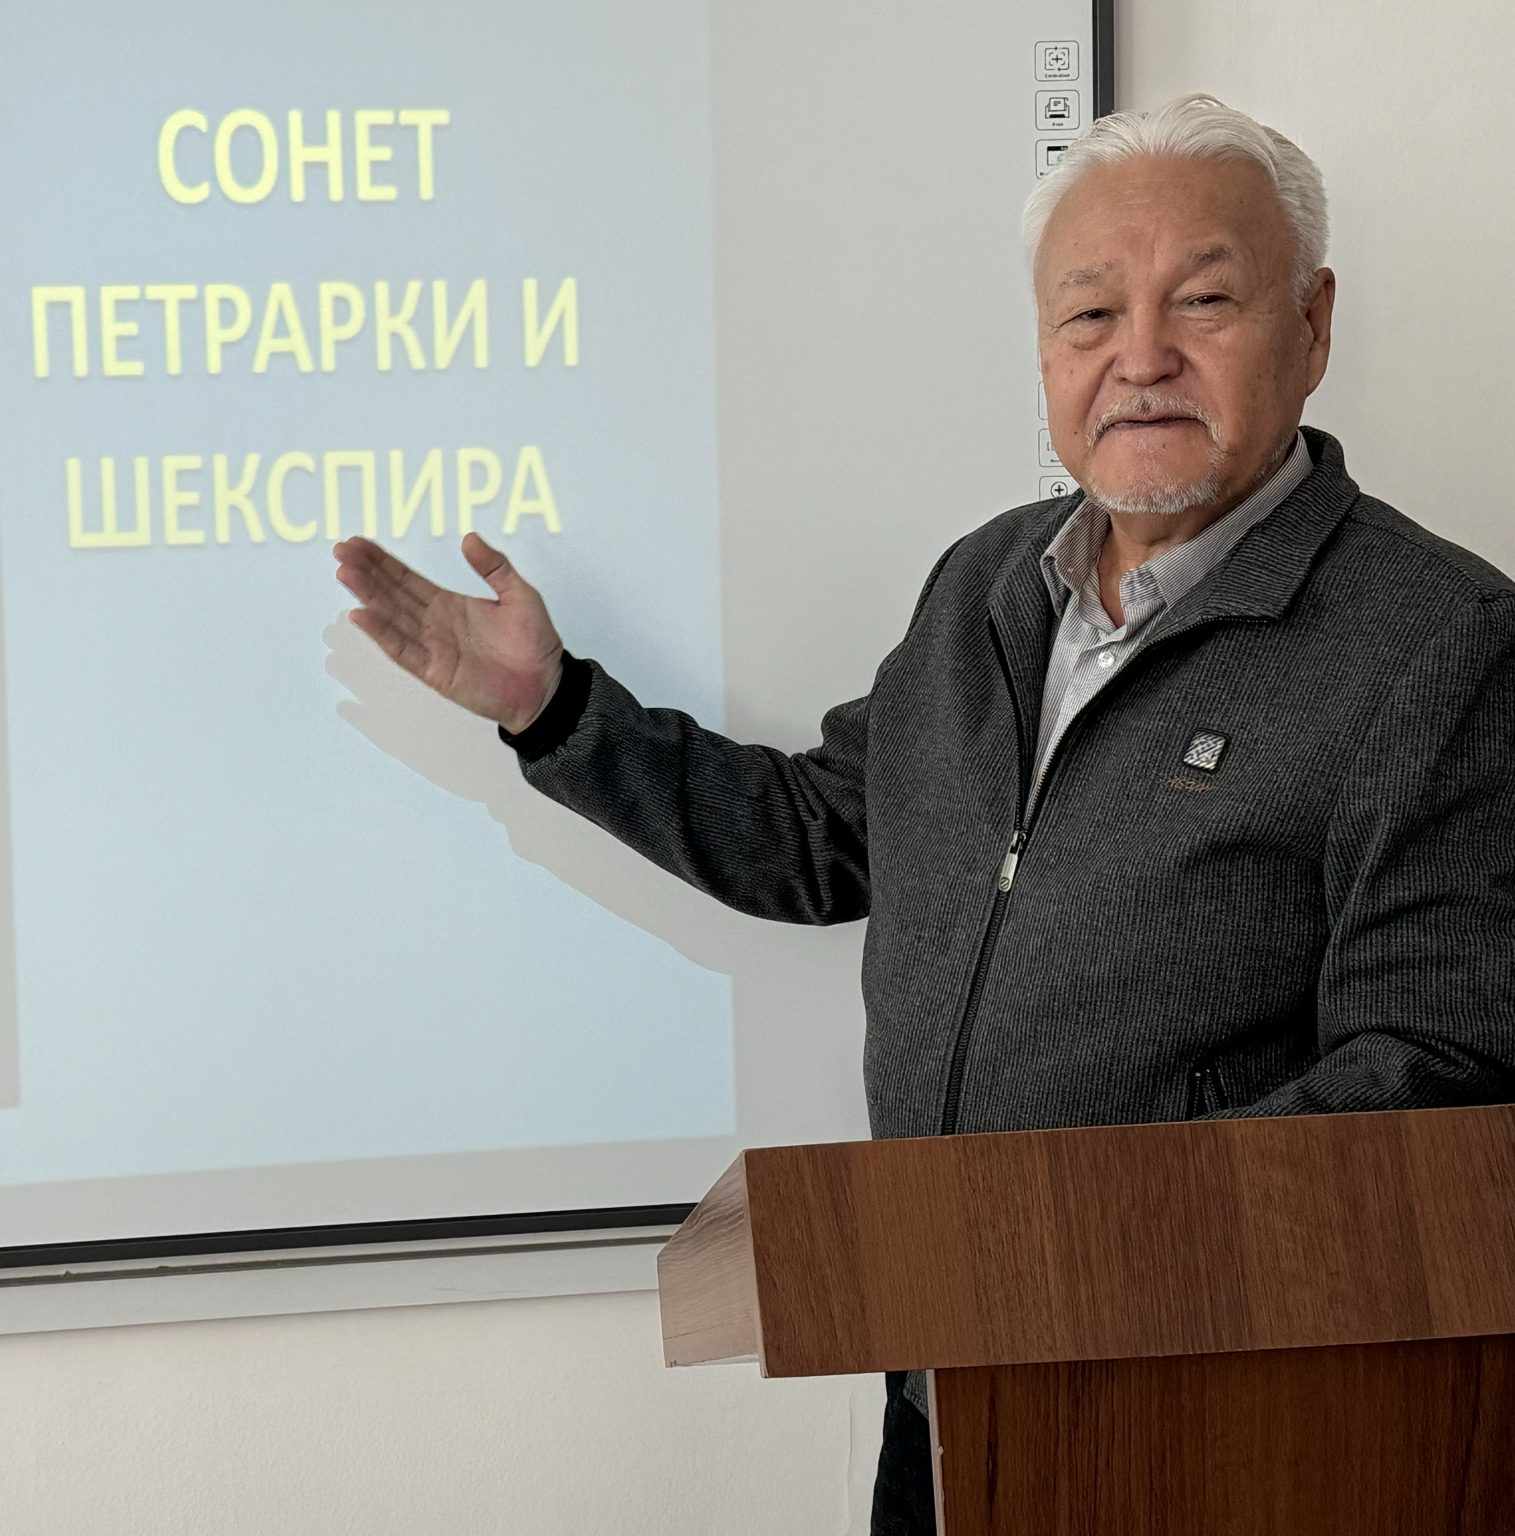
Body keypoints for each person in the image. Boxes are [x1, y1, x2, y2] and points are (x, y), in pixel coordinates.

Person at [333, 93, 1515, 1536]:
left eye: (1203, 300)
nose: (1141, 356)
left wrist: (1069, 1250)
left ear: (1312, 326)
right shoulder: (987, 587)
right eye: (1090, 314)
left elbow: (1431, 1085)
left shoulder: (1437, 643)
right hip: (949, 1395)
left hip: (1223, 1427)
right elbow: (823, 836)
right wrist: (556, 709)